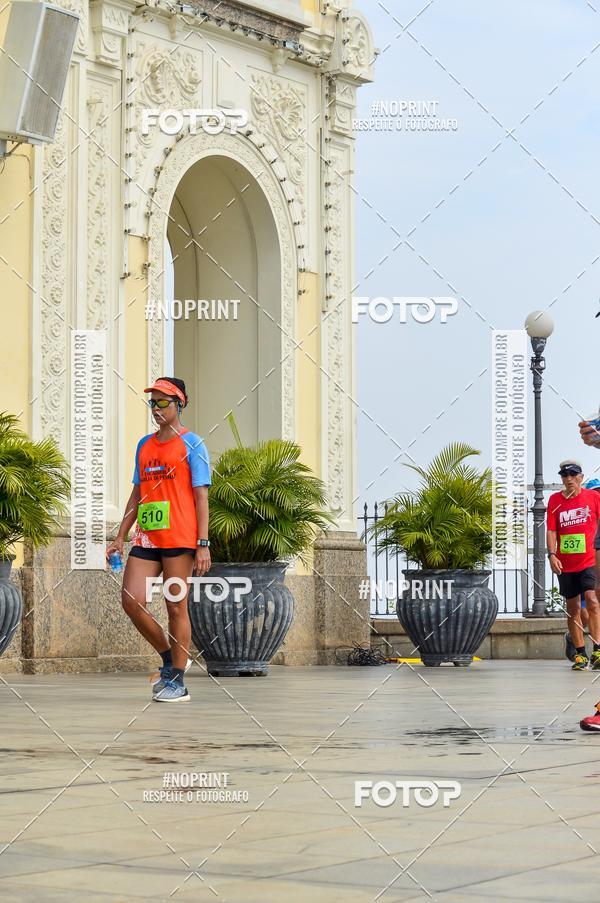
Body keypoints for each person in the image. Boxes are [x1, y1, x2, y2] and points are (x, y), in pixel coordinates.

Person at [106, 377, 211, 702]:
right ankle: (169, 657)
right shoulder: (144, 445)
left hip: (180, 539)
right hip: (147, 538)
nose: (156, 408)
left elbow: (201, 498)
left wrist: (203, 544)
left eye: (163, 402)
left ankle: (178, 682)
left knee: (175, 607)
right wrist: (120, 535)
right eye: (152, 402)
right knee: (131, 600)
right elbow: (137, 494)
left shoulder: (193, 444)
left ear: (180, 404)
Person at [547, 460, 600, 671]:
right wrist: (552, 555)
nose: (568, 479)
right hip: (566, 563)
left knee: (592, 600)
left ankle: (597, 650)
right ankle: (580, 654)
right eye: (564, 475)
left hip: (589, 560)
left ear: (581, 477)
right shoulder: (555, 500)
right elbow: (552, 530)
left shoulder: (593, 497)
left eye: (573, 475)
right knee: (573, 608)